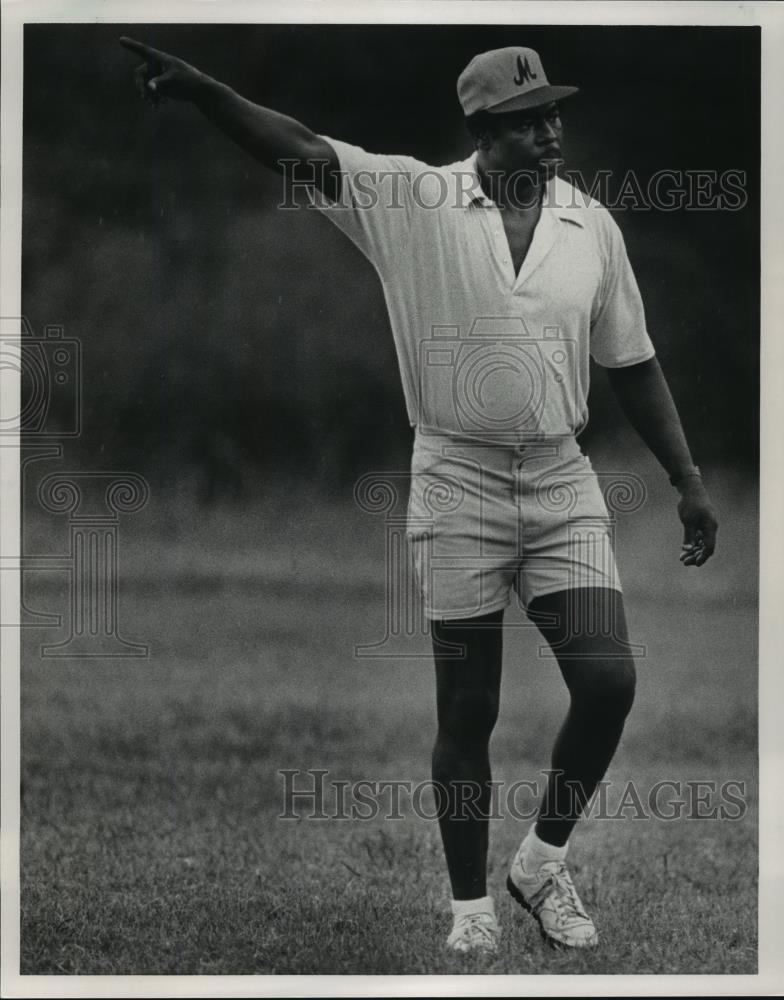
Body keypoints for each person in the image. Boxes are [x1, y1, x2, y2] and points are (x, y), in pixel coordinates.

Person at [120, 38, 718, 954]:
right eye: (526, 121)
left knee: (609, 684)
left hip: (561, 479)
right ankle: (471, 914)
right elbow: (304, 150)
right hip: (457, 478)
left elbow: (631, 363)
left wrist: (687, 481)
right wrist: (207, 95)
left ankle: (541, 863)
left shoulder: (590, 225)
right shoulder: (415, 200)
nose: (549, 131)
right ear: (481, 130)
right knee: (467, 710)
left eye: (553, 113)